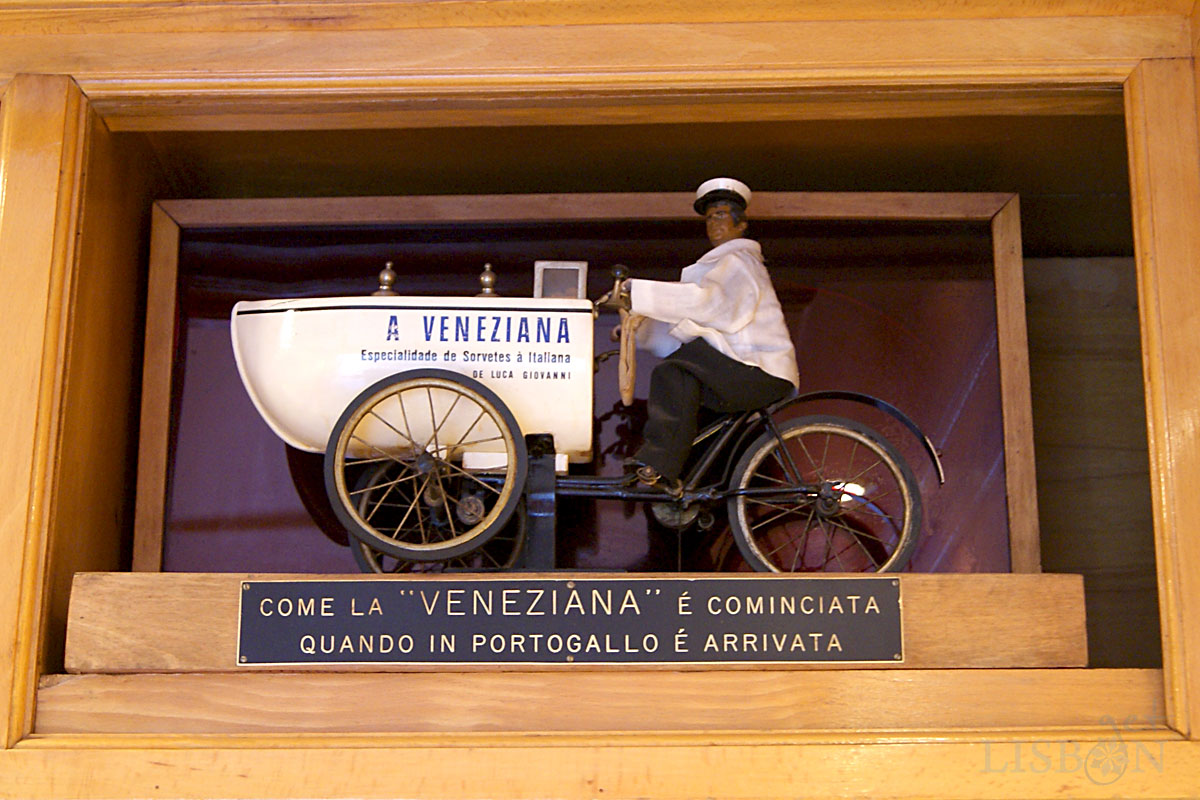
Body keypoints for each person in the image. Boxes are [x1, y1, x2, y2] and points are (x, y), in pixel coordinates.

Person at [623, 178, 799, 494]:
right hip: (745, 367)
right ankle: (676, 479)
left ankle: (659, 468)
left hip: (757, 368)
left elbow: (709, 304)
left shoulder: (739, 263)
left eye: (720, 214)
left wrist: (637, 292)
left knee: (676, 370)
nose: (713, 224)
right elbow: (691, 320)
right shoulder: (720, 266)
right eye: (709, 217)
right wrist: (636, 328)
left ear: (741, 223)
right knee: (683, 378)